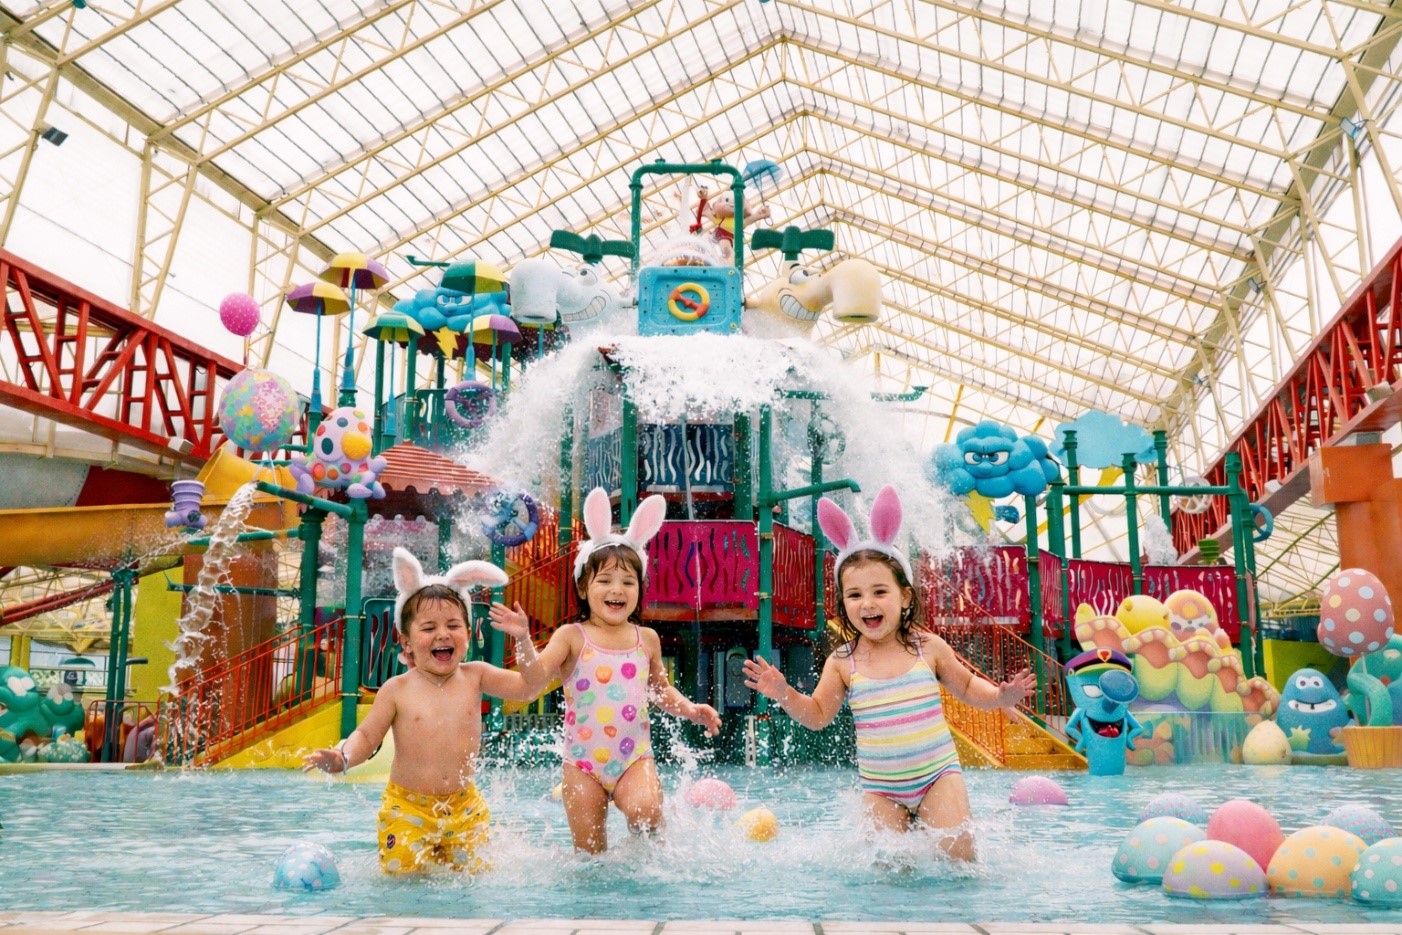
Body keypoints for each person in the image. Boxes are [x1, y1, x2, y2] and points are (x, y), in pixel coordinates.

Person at [743, 485, 1034, 860]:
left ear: (905, 597)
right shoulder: (843, 661)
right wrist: (784, 693)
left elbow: (965, 686)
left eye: (880, 591)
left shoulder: (927, 647)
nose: (867, 604)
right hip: (882, 789)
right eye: (854, 595)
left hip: (937, 778)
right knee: (889, 866)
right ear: (842, 602)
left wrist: (999, 697)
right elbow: (817, 716)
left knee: (959, 854)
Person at [303, 547, 541, 875]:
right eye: (428, 628)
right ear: (407, 642)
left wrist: (523, 640)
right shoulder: (397, 690)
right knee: (404, 879)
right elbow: (367, 736)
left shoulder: (477, 675)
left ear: (468, 635)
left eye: (453, 625)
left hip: (463, 807)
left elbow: (530, 687)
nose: (442, 634)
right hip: (407, 808)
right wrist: (343, 757)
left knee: (473, 880)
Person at [521, 488, 722, 853]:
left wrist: (691, 709)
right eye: (605, 580)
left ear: (639, 589)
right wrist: (522, 638)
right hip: (582, 765)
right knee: (590, 855)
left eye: (628, 581)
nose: (618, 590)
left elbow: (660, 690)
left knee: (647, 814)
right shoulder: (571, 637)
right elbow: (534, 678)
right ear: (583, 587)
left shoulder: (646, 639)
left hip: (633, 759)